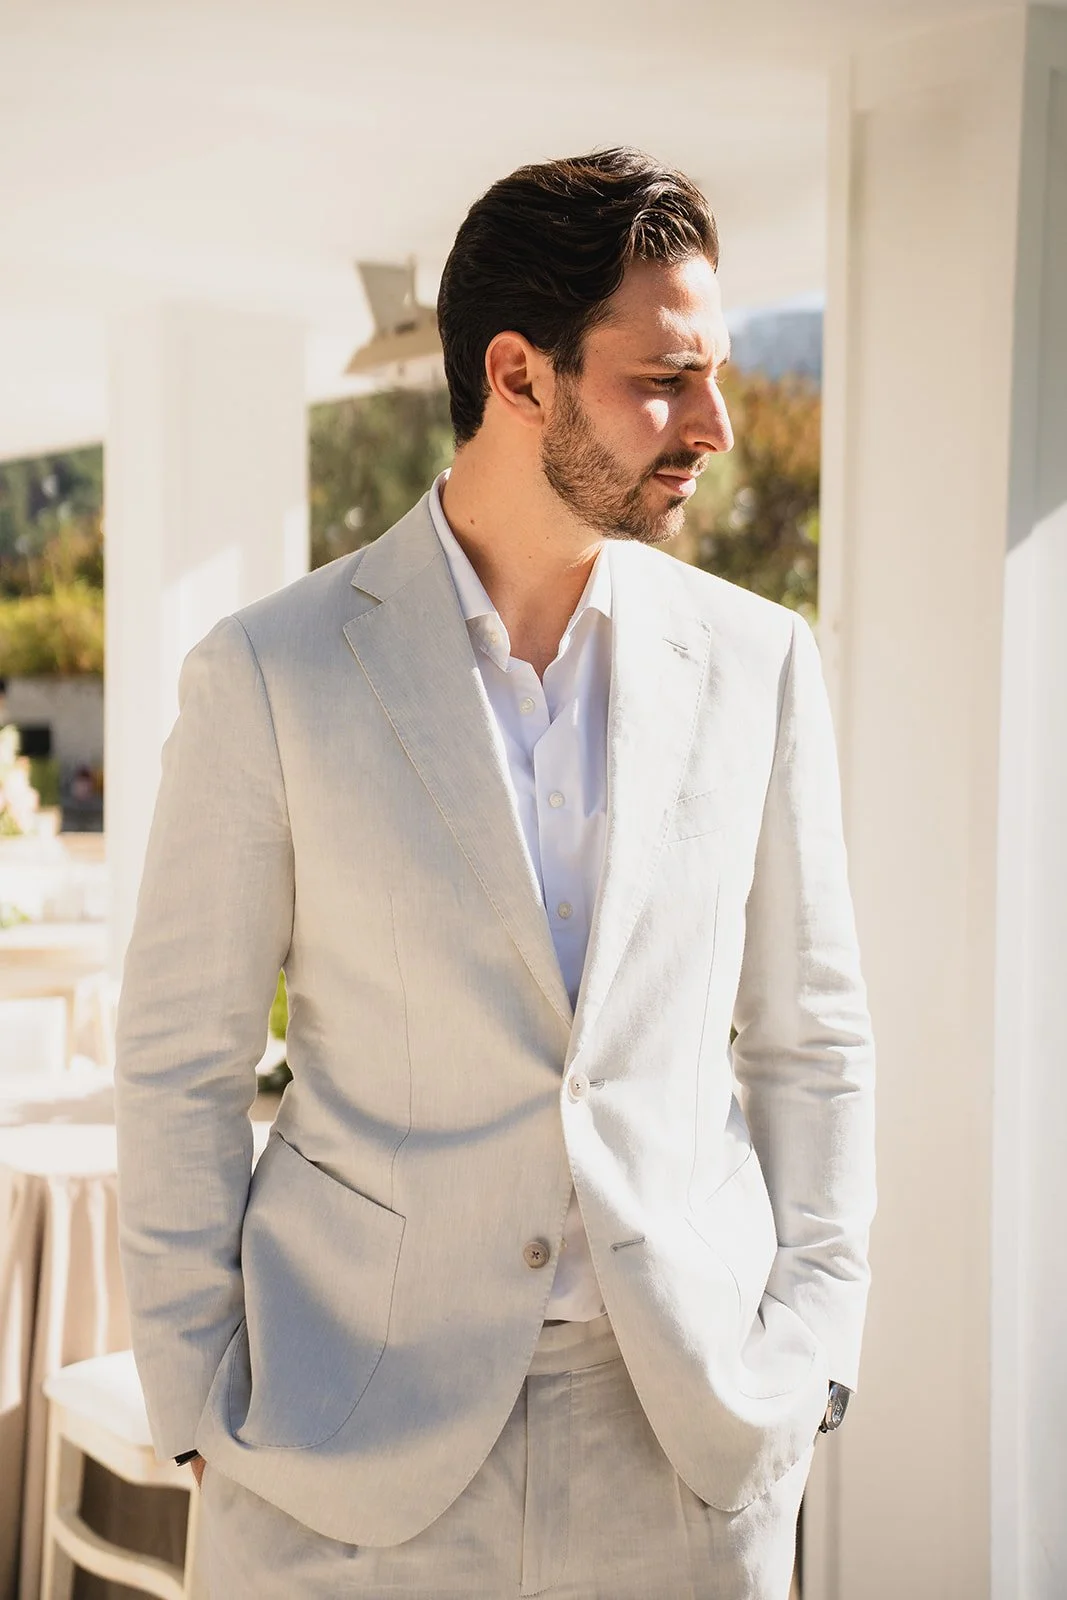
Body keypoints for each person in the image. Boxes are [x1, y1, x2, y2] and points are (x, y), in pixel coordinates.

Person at [115, 147, 875, 1599]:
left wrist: (814, 1352)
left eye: (712, 373)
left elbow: (813, 1037)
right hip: (341, 1439)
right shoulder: (270, 673)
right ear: (517, 376)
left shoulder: (759, 661)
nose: (714, 422)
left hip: (683, 1444)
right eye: (663, 378)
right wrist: (197, 1400)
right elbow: (179, 1062)